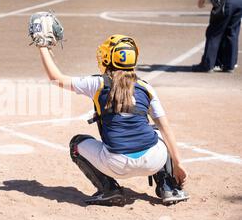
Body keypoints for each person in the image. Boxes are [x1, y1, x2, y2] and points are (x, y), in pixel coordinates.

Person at [35, 32, 189, 206]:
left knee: (76, 144)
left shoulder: (97, 84)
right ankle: (169, 187)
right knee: (156, 131)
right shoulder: (146, 87)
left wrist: (42, 47)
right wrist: (178, 164)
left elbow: (56, 78)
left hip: (116, 165)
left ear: (109, 59)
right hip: (153, 161)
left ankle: (110, 190)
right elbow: (166, 129)